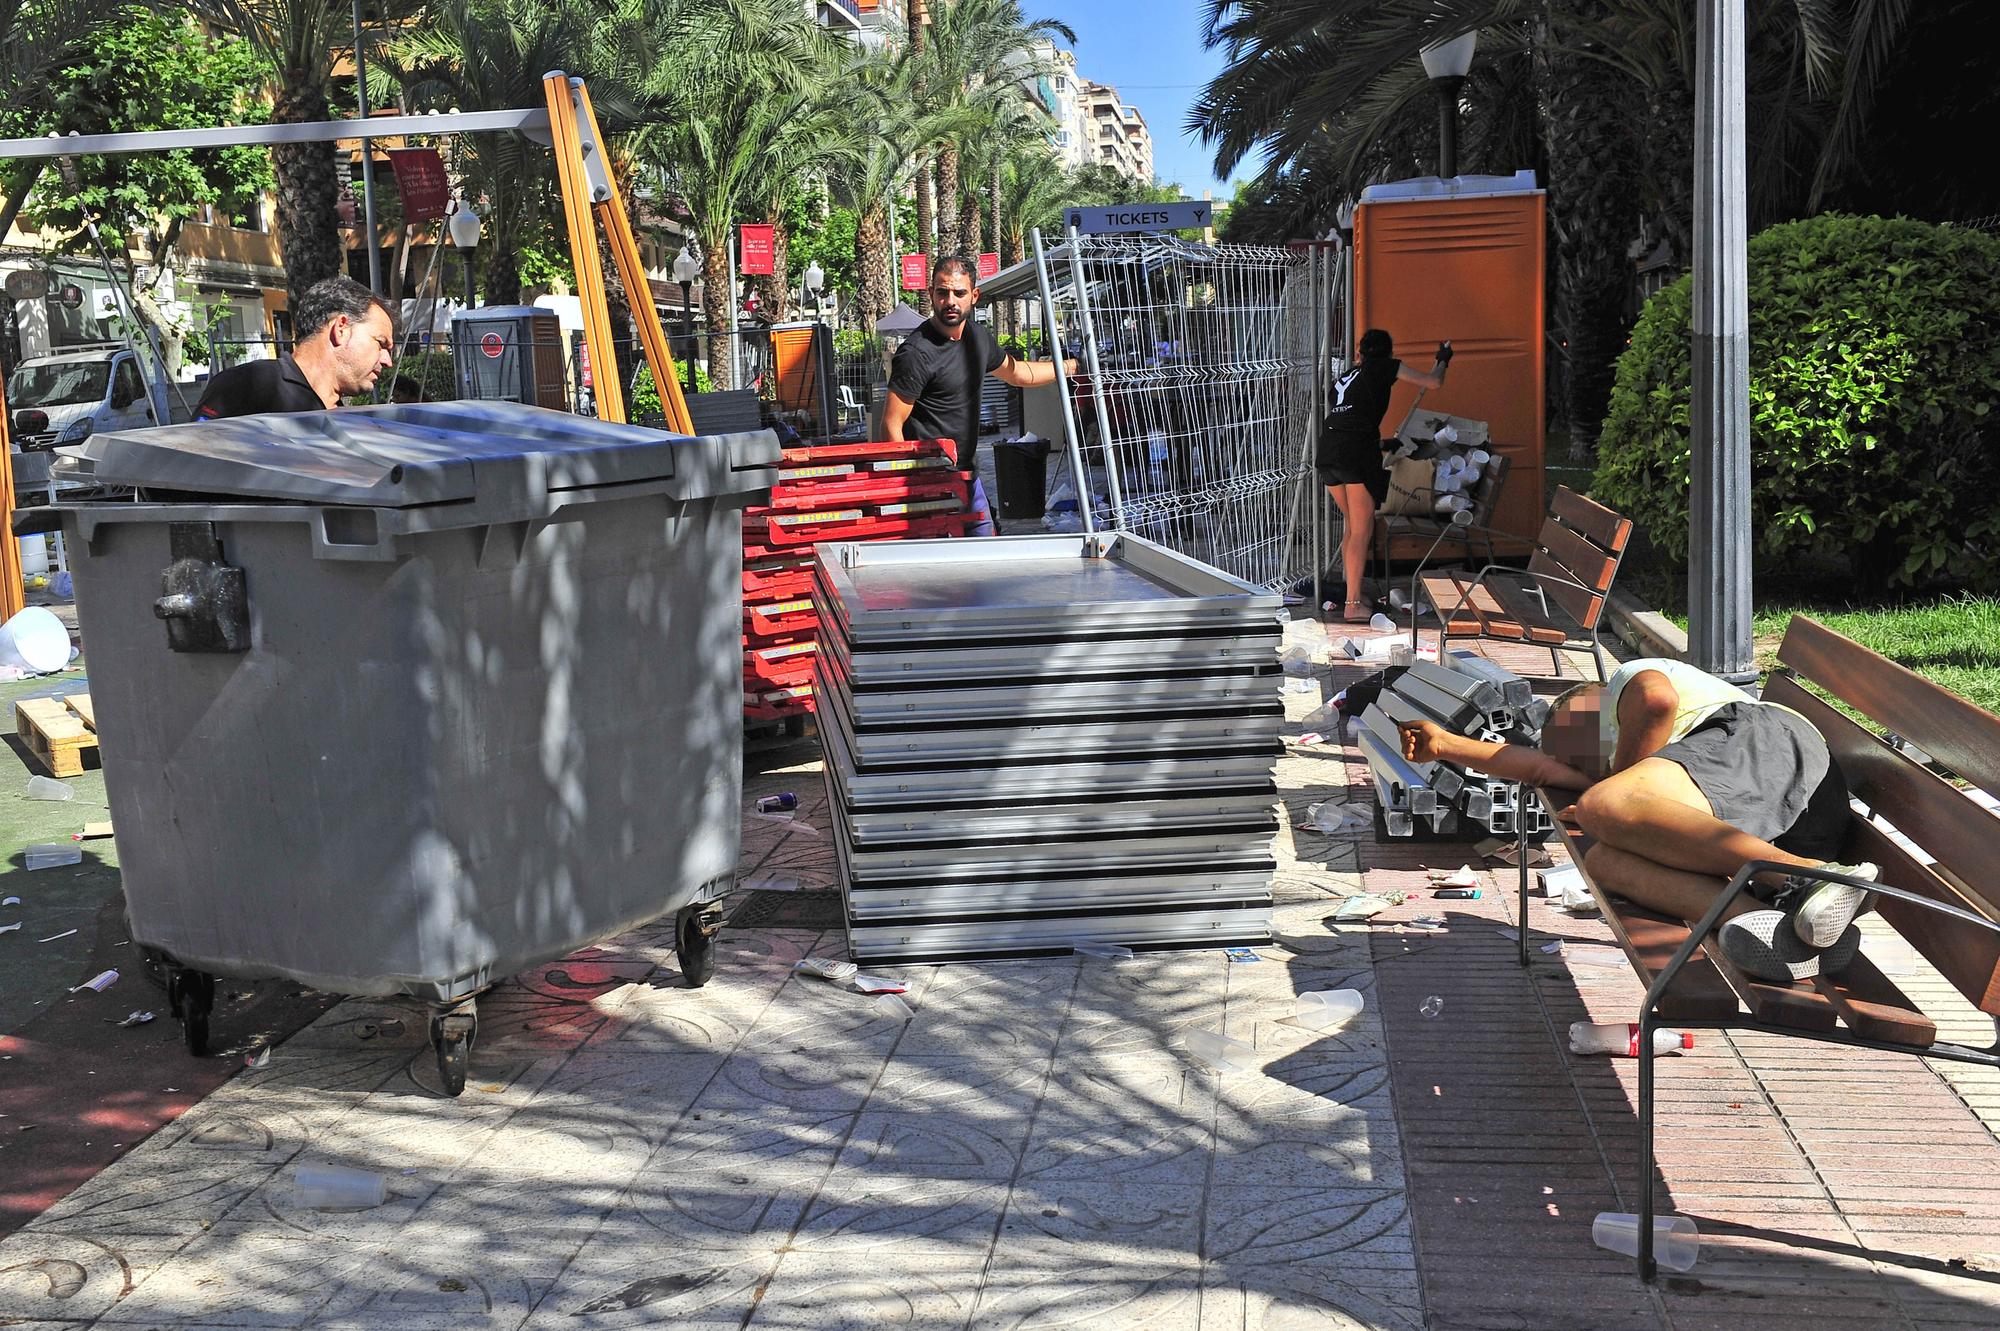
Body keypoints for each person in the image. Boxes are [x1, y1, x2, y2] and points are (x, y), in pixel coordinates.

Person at [1398, 656, 1879, 982]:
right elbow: (1541, 767)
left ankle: (1808, 881)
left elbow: (1656, 702)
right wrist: (1447, 745)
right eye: (1585, 766)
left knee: (1602, 807)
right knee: (1605, 863)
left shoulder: (1627, 681)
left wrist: (1611, 788)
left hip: (1769, 749)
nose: (1587, 768)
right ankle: (1772, 927)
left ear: (1587, 706)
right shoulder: (1626, 767)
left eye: (1581, 752)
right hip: (1777, 812)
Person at [884, 255, 1077, 531]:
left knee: (985, 560)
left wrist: (1070, 366)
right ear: (931, 294)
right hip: (928, 483)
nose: (950, 301)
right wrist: (908, 489)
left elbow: (1019, 373)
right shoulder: (916, 353)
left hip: (968, 478)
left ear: (974, 296)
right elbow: (891, 424)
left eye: (959, 293)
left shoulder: (978, 338)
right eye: (942, 292)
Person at [1321, 329, 1449, 623]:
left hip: (1328, 451)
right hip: (1355, 456)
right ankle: (1353, 605)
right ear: (1388, 352)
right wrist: (1443, 359)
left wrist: (1380, 444)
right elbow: (1434, 381)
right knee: (1361, 531)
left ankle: (1353, 593)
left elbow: (1346, 419)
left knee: (1353, 527)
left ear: (1359, 354)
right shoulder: (1386, 365)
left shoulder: (1344, 378)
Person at [196, 276, 396, 419]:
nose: (388, 361)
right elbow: (193, 466)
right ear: (341, 328)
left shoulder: (343, 415)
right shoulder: (245, 386)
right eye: (380, 343)